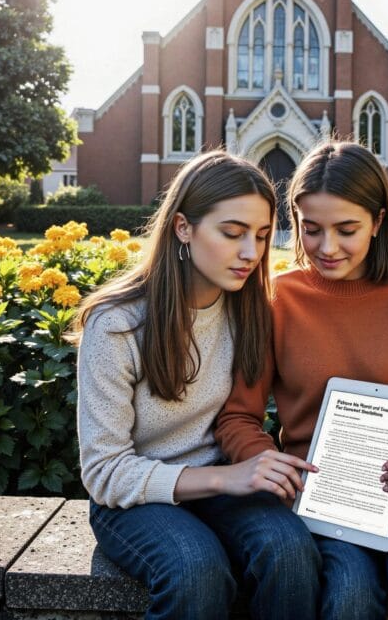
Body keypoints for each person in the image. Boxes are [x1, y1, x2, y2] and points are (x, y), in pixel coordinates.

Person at [216, 141, 388, 620]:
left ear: (378, 222)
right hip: (325, 490)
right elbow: (238, 416)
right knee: (348, 598)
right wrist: (268, 463)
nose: (327, 247)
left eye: (347, 230)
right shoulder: (278, 300)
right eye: (311, 229)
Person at [73, 151, 321, 620]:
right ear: (183, 228)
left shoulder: (249, 312)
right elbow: (104, 472)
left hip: (226, 487)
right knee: (195, 568)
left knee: (290, 550)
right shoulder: (117, 325)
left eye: (263, 236)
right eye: (232, 233)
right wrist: (224, 478)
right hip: (134, 500)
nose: (251, 252)